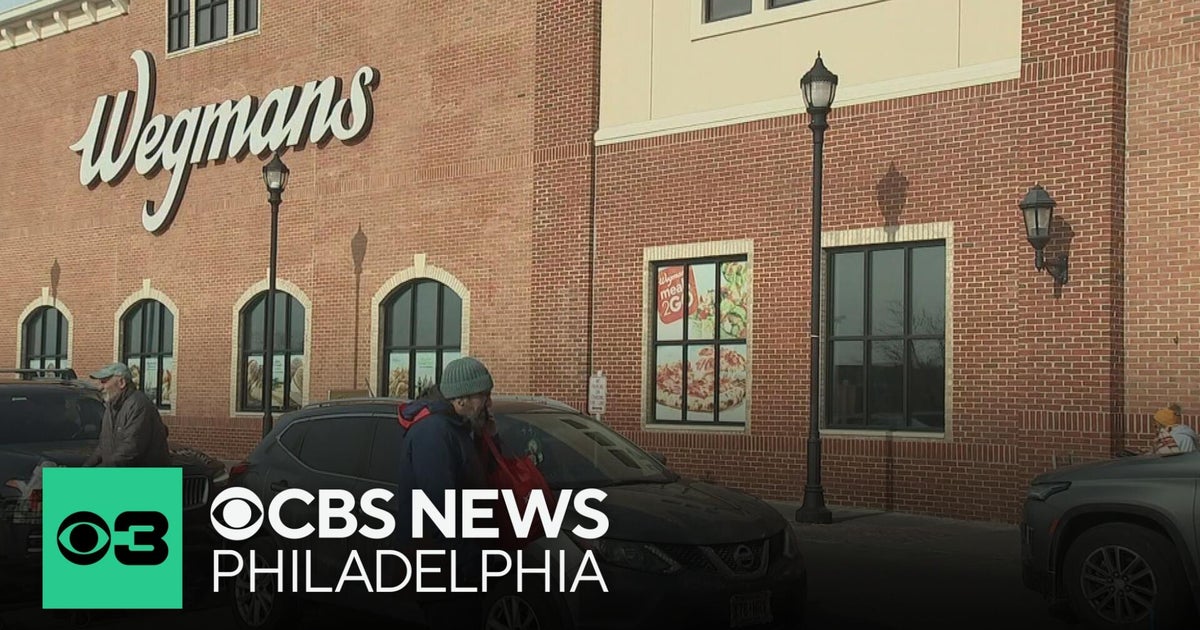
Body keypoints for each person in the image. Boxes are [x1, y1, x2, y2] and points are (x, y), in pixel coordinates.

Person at [394, 356, 497, 628]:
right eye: (483, 396)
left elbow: (480, 480)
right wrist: (468, 562)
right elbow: (440, 506)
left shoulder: (459, 428)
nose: (488, 404)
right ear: (460, 399)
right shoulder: (434, 433)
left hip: (456, 566)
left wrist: (490, 437)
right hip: (443, 570)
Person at [82, 362, 171, 467]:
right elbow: (103, 446)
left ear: (121, 383)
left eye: (104, 382)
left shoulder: (139, 405)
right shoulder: (111, 406)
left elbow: (130, 450)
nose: (99, 387)